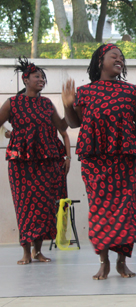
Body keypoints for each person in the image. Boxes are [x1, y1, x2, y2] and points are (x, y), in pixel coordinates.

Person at [61, 43, 136, 279]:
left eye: (122, 57)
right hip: (96, 160)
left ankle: (122, 262)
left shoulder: (133, 90)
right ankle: (103, 262)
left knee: (126, 210)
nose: (119, 59)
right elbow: (74, 124)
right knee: (100, 209)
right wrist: (67, 104)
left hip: (126, 160)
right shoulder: (85, 92)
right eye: (114, 55)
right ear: (100, 61)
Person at [0, 57, 69, 265]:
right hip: (22, 164)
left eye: (43, 77)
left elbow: (63, 129)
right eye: (37, 76)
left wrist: (68, 105)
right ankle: (26, 252)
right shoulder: (13, 103)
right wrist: (6, 132)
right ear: (25, 79)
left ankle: (38, 251)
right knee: (25, 205)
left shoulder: (47, 103)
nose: (41, 80)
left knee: (46, 205)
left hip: (49, 162)